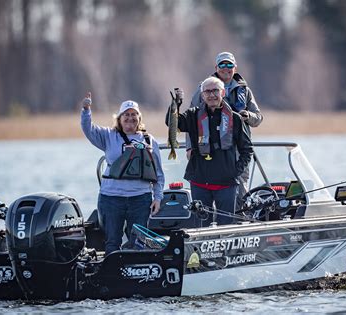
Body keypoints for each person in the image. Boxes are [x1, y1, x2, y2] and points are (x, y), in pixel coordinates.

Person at [81, 92, 165, 255]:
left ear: (139, 118)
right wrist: (86, 110)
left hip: (140, 200)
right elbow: (88, 129)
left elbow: (158, 174)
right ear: (119, 118)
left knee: (138, 244)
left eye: (134, 115)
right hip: (111, 199)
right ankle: (113, 275)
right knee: (112, 242)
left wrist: (158, 198)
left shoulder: (149, 140)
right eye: (126, 114)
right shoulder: (108, 136)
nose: (130, 118)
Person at [167, 77, 253, 226]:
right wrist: (176, 105)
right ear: (202, 95)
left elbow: (247, 150)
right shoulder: (193, 115)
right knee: (200, 226)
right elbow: (172, 122)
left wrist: (236, 170)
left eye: (215, 91)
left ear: (223, 92)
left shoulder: (236, 119)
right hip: (200, 182)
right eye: (207, 91)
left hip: (227, 184)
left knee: (226, 226)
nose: (212, 95)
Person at [188, 52, 263, 209]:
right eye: (222, 64)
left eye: (229, 65)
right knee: (208, 192)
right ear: (216, 68)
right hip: (211, 151)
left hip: (237, 150)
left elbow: (258, 118)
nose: (226, 68)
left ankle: (239, 224)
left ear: (235, 68)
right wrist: (189, 147)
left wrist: (247, 115)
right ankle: (209, 228)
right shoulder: (204, 88)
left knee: (240, 190)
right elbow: (191, 121)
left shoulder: (245, 91)